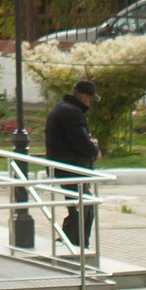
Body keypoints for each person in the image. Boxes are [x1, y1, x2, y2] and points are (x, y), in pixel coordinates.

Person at [43, 75, 102, 253]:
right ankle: (77, 243)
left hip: (63, 165)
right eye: (90, 98)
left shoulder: (64, 109)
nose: (90, 103)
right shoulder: (72, 112)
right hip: (71, 167)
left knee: (79, 204)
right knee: (84, 204)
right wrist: (94, 150)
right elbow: (79, 141)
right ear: (82, 96)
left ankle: (71, 239)